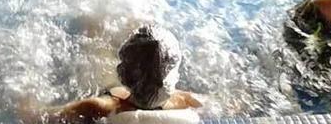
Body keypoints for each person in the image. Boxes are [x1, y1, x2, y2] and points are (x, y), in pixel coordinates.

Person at [22, 25, 201, 123]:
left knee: (93, 35)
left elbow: (33, 116)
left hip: (109, 88)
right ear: (172, 73)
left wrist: (26, 77)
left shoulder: (98, 107)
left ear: (124, 71)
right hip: (124, 89)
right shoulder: (185, 101)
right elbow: (225, 103)